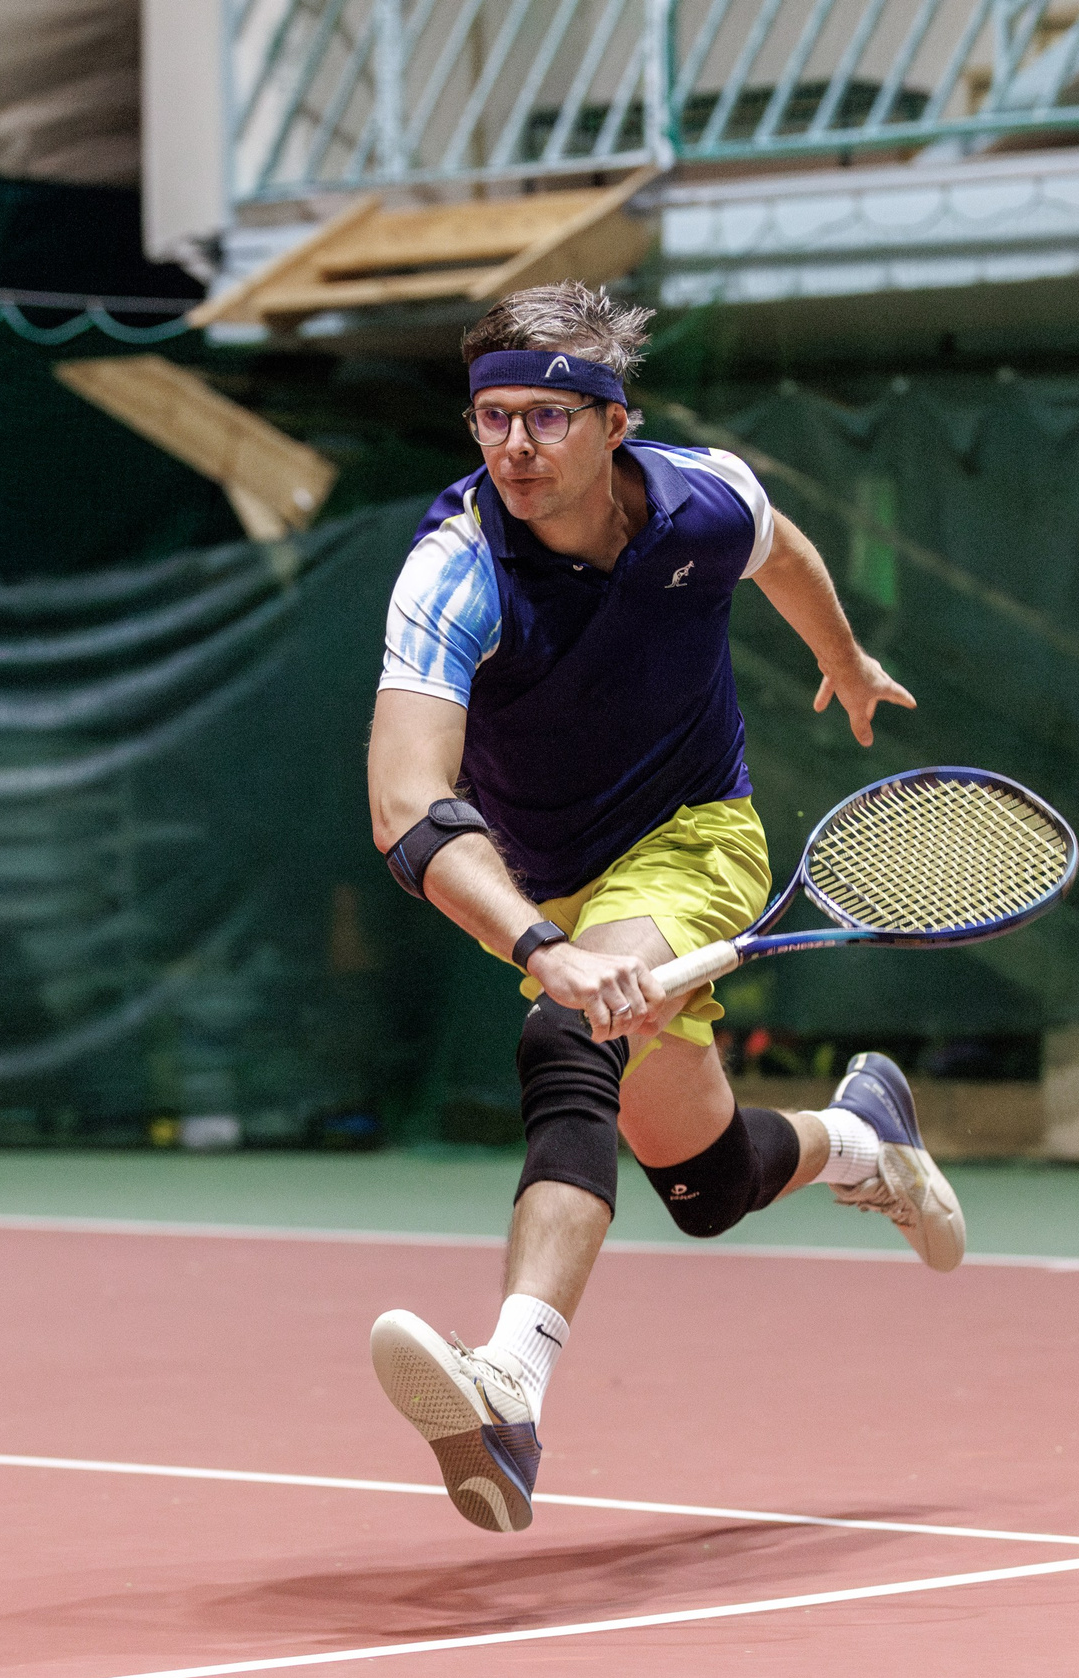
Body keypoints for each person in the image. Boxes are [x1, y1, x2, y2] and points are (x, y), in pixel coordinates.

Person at [365, 282, 965, 1535]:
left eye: (544, 417)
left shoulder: (705, 496)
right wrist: (538, 936)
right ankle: (863, 1138)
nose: (514, 447)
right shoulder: (455, 568)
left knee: (563, 1040)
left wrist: (840, 659)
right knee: (703, 1181)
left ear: (613, 422)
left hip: (696, 838)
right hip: (546, 878)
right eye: (489, 419)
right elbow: (406, 808)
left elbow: (783, 551)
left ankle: (508, 1392)